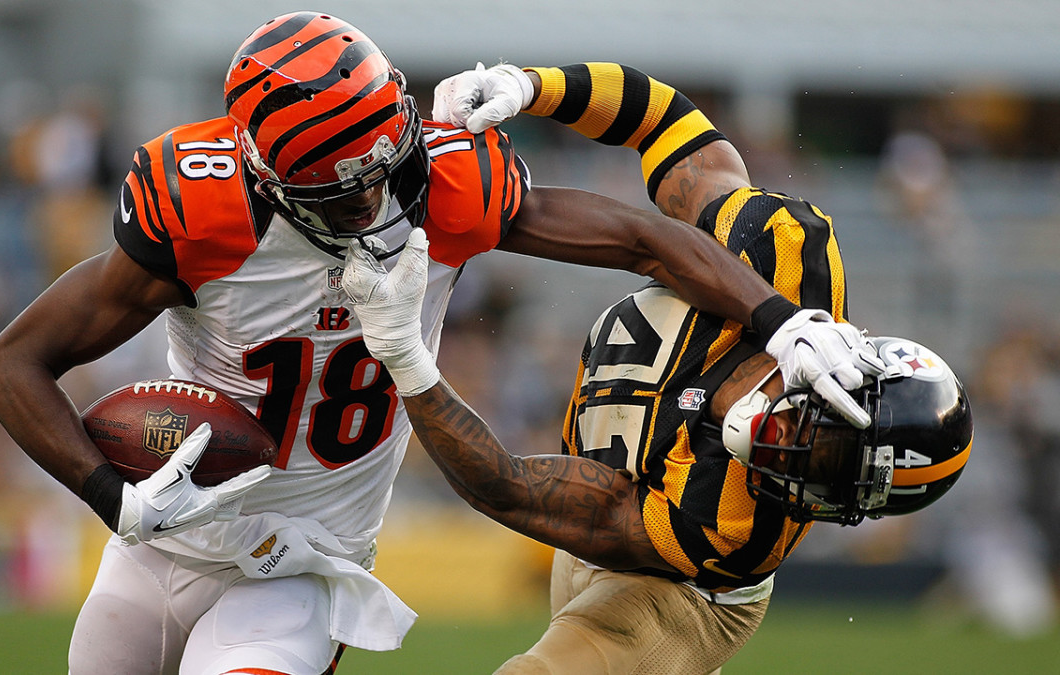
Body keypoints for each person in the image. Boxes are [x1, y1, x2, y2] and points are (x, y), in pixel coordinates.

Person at [0, 13, 879, 673]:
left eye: (389, 164)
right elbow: (9, 365)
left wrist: (780, 319)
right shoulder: (197, 211)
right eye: (349, 193)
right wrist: (111, 497)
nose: (383, 200)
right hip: (160, 544)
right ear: (270, 180)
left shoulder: (446, 185)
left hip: (305, 559)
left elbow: (642, 237)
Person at [319, 61, 974, 673]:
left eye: (833, 481)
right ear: (853, 362)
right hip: (601, 535)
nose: (805, 462)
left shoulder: (733, 525)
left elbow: (509, 486)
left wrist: (405, 355)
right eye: (833, 440)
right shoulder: (783, 256)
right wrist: (533, 86)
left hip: (674, 591)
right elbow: (666, 127)